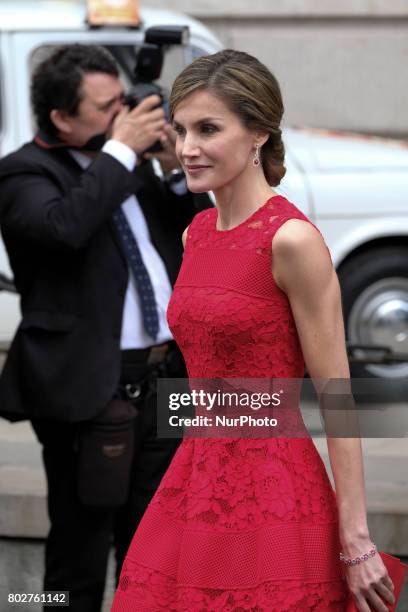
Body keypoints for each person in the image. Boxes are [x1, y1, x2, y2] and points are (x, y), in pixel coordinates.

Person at [111, 49, 396, 612]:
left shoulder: (291, 240)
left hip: (275, 489)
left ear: (259, 135)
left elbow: (336, 396)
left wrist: (357, 538)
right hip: (194, 476)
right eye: (182, 128)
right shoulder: (197, 233)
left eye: (208, 129)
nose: (187, 148)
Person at [0, 45, 211, 611]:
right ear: (61, 118)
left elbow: (189, 233)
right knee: (79, 552)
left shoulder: (130, 163)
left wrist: (170, 166)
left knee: (155, 541)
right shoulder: (23, 173)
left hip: (167, 379)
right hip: (88, 390)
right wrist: (123, 150)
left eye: (124, 100)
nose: (126, 114)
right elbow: (65, 229)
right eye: (106, 107)